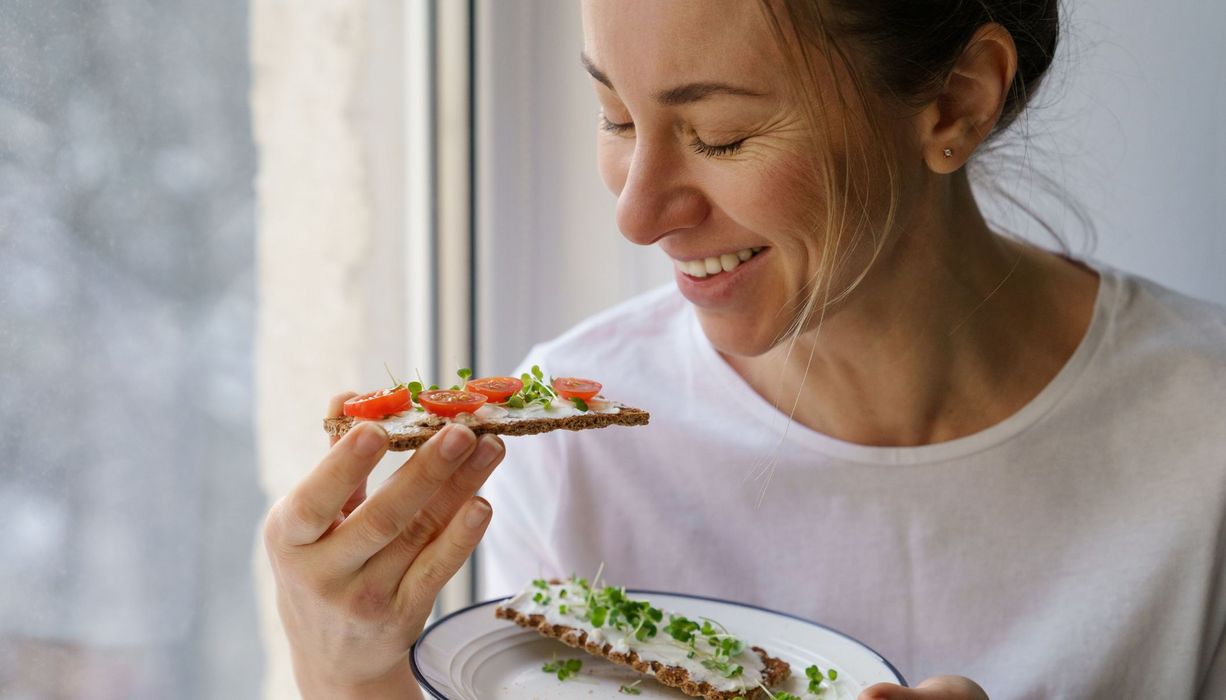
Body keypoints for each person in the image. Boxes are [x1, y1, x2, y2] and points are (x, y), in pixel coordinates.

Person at [262, 1, 1226, 698]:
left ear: (956, 103)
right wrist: (346, 674)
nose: (636, 216)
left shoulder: (1204, 438)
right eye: (616, 118)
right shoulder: (579, 464)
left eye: (720, 137)